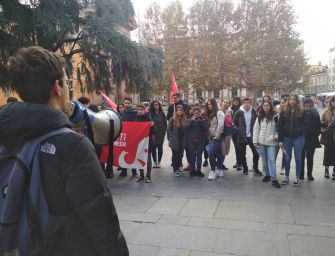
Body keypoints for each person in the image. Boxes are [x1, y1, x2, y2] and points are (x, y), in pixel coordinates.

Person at [0, 46, 128, 255]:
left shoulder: (6, 134)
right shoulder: (73, 146)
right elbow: (102, 223)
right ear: (58, 87)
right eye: (67, 83)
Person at [278, 94, 306, 186]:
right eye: (290, 99)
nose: (292, 101)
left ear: (297, 101)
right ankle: (286, 176)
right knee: (287, 157)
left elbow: (306, 125)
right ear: (288, 101)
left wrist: (302, 132)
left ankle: (297, 177)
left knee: (298, 158)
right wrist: (280, 140)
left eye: (294, 99)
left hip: (298, 137)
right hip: (287, 138)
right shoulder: (284, 111)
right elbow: (280, 126)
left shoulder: (302, 111)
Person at [253, 101, 281, 188]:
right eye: (264, 105)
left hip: (271, 142)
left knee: (272, 159)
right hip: (262, 142)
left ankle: (274, 179)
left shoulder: (276, 117)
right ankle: (267, 175)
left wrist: (276, 136)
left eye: (267, 105)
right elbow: (256, 130)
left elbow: (279, 129)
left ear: (270, 106)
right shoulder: (259, 117)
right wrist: (255, 141)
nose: (265, 107)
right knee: (264, 160)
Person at [233, 98, 262, 176]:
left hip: (252, 137)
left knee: (256, 153)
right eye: (245, 102)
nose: (246, 104)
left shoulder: (253, 112)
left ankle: (255, 168)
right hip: (242, 136)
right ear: (242, 104)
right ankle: (245, 168)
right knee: (242, 154)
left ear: (250, 103)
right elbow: (234, 123)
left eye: (248, 102)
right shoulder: (238, 112)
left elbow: (258, 122)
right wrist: (238, 130)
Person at [204, 98, 225, 180]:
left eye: (211, 104)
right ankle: (219, 169)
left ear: (214, 104)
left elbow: (220, 125)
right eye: (208, 104)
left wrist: (217, 136)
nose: (209, 106)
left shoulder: (219, 113)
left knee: (210, 152)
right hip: (212, 136)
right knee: (219, 153)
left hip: (218, 137)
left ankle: (213, 170)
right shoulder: (210, 113)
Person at [300, 98, 321, 181]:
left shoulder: (316, 115)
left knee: (310, 157)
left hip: (312, 139)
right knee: (301, 157)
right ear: (303, 106)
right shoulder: (300, 114)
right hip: (302, 138)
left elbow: (318, 126)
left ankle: (310, 174)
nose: (308, 108)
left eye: (310, 106)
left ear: (312, 106)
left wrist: (315, 134)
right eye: (306, 106)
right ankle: (301, 173)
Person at [135, 103, 156, 183]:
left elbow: (154, 132)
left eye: (141, 110)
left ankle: (148, 176)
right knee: (139, 159)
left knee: (148, 159)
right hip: (139, 142)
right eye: (138, 110)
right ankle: (141, 175)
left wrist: (152, 126)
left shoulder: (149, 119)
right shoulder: (136, 119)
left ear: (144, 110)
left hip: (148, 142)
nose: (140, 111)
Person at [186, 106, 208, 177]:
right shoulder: (189, 120)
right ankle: (193, 169)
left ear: (200, 113)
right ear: (193, 113)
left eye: (198, 113)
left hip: (200, 141)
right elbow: (187, 128)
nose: (196, 115)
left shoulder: (203, 120)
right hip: (191, 141)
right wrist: (192, 121)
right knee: (192, 156)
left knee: (199, 156)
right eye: (195, 113)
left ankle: (198, 170)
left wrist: (200, 121)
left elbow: (205, 129)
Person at [119, 97, 138, 177]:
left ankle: (134, 171)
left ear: (131, 103)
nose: (127, 105)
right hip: (124, 136)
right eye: (125, 103)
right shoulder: (121, 112)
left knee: (132, 153)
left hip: (132, 136)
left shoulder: (135, 112)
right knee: (123, 153)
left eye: (128, 103)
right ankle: (124, 171)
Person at [167, 105, 187, 176]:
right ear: (176, 111)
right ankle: (175, 169)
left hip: (182, 140)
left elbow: (186, 130)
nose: (179, 112)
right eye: (178, 110)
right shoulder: (172, 119)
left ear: (182, 111)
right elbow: (168, 130)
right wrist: (171, 137)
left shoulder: (184, 119)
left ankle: (179, 167)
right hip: (175, 140)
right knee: (175, 155)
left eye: (180, 110)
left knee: (180, 155)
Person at [320, 96, 335, 179]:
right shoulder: (327, 112)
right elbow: (322, 122)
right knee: (327, 152)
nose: (334, 103)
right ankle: (326, 170)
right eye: (333, 101)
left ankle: (334, 171)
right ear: (331, 102)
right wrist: (322, 129)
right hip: (329, 134)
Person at [149, 100, 167, 168]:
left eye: (157, 104)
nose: (156, 106)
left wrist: (164, 132)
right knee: (153, 148)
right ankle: (154, 162)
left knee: (160, 148)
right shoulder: (150, 113)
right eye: (154, 105)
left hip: (161, 134)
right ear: (152, 106)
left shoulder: (162, 113)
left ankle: (159, 161)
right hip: (153, 134)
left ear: (159, 105)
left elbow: (165, 123)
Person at [228, 96, 242, 170]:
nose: (235, 102)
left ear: (239, 101)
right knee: (236, 147)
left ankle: (241, 163)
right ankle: (238, 162)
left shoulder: (241, 109)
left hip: (240, 131)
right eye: (234, 101)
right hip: (233, 130)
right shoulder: (231, 109)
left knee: (240, 147)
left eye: (237, 101)